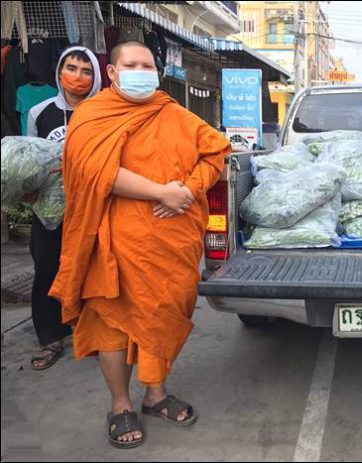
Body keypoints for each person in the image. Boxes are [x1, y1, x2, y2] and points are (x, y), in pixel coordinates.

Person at [49, 41, 230, 448]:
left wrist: (187, 189)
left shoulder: (170, 111)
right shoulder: (92, 116)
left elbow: (215, 150)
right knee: (112, 323)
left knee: (161, 316)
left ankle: (155, 395)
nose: (141, 71)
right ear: (112, 73)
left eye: (148, 65)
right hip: (111, 241)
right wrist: (159, 193)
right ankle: (119, 405)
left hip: (169, 244)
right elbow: (95, 172)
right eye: (131, 64)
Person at [25, 46, 102, 370]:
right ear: (59, 72)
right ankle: (50, 337)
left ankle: (91, 331)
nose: (78, 76)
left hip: (93, 208)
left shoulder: (102, 112)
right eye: (71, 68)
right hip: (50, 211)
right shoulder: (40, 113)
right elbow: (27, 156)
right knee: (47, 271)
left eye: (86, 71)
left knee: (94, 271)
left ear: (96, 76)